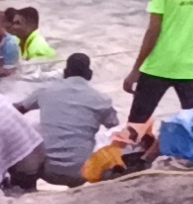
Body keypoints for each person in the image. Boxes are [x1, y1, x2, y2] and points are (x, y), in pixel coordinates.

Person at [16, 53, 119, 186]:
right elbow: (115, 128)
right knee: (106, 139)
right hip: (83, 173)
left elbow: (17, 111)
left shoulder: (45, 91)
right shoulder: (102, 100)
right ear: (89, 74)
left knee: (34, 127)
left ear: (65, 73)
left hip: (47, 171)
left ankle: (26, 187)